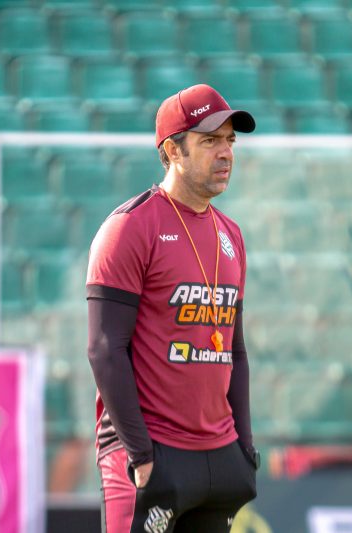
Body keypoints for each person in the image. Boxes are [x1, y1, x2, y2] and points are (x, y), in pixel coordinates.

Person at [86, 84, 259, 533]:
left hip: (217, 458)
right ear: (172, 150)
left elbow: (234, 352)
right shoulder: (130, 228)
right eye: (209, 141)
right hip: (150, 455)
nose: (225, 153)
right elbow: (105, 348)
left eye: (230, 141)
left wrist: (244, 447)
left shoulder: (232, 235)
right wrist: (141, 457)